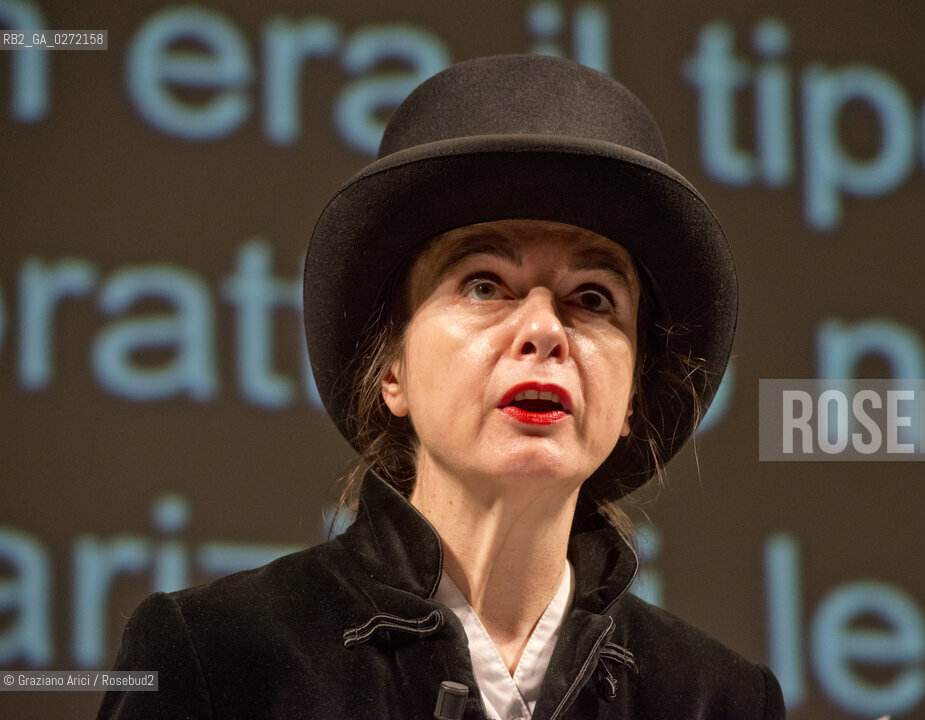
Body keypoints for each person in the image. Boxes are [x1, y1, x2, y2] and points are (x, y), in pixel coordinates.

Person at [98, 54, 784, 720]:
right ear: (389, 368)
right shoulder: (216, 660)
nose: (544, 330)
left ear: (632, 394)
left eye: (593, 298)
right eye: (484, 285)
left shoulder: (718, 699)